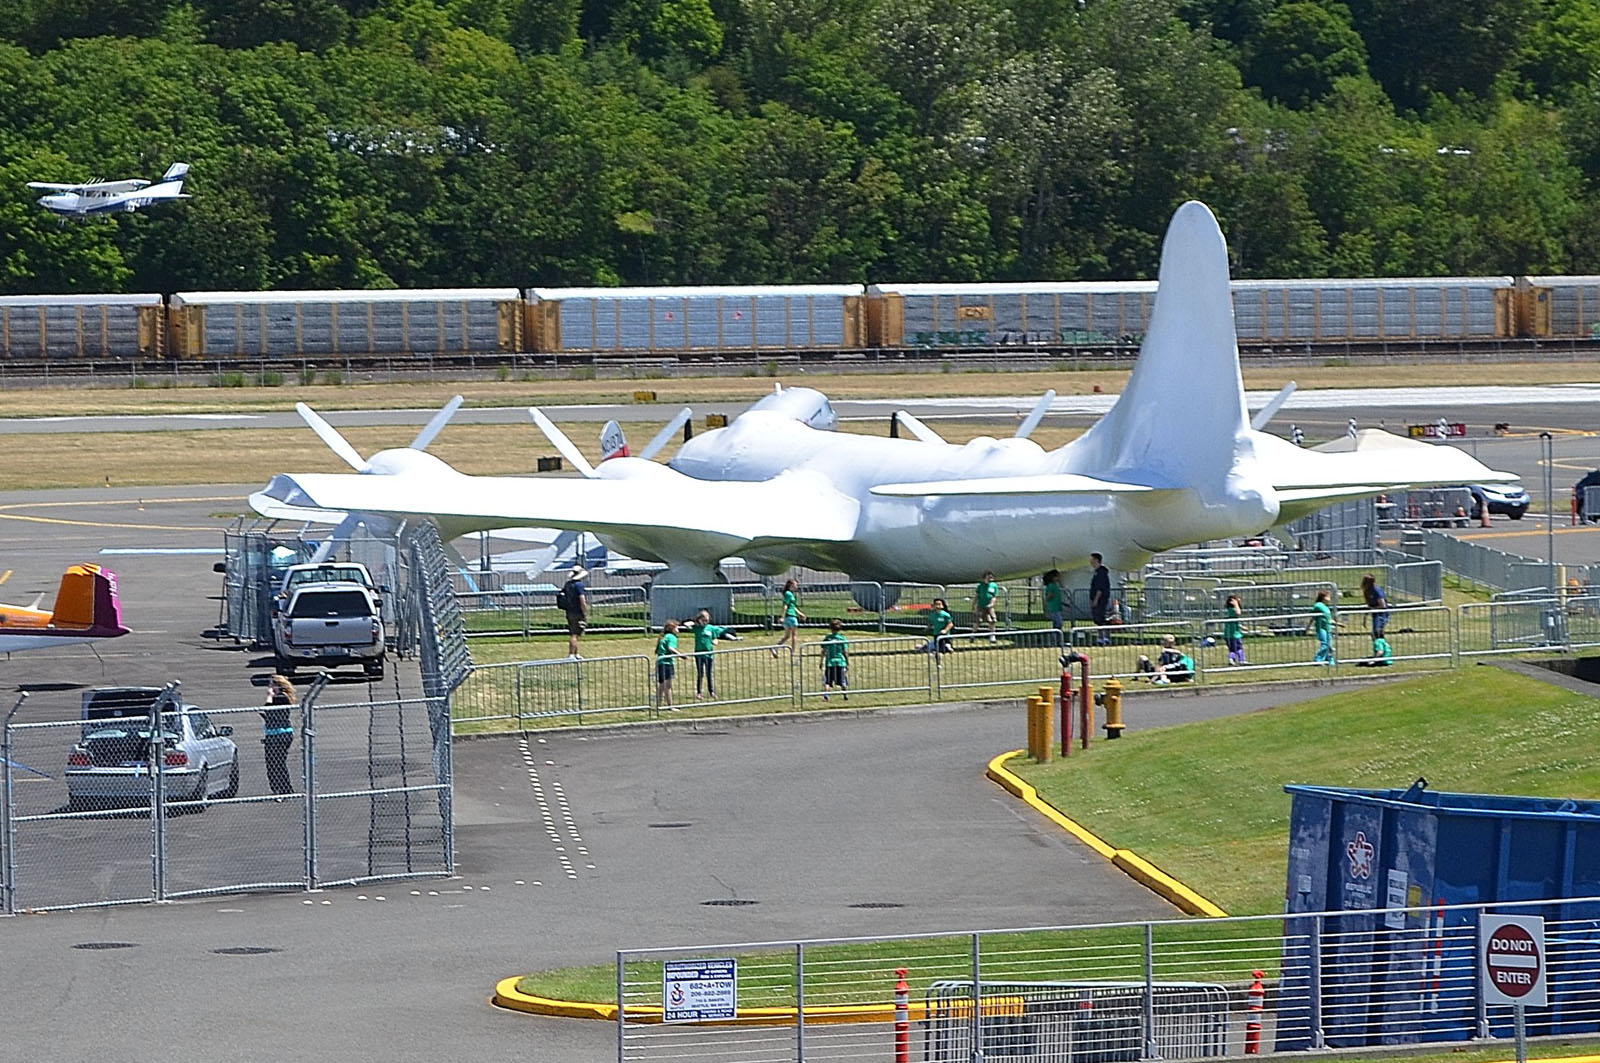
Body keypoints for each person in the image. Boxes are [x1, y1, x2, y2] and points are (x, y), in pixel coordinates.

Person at [686, 609, 741, 700]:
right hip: (699, 654)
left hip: (709, 654)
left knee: (709, 673)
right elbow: (686, 625)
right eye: (703, 620)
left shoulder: (710, 628)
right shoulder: (697, 628)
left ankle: (711, 691)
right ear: (699, 619)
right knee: (700, 674)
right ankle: (699, 692)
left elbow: (715, 638)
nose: (705, 622)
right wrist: (694, 623)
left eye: (706, 621)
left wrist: (715, 641)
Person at [260, 674, 296, 797]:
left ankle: (280, 789)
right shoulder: (279, 698)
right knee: (276, 762)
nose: (269, 687)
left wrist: (269, 697)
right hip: (274, 733)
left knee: (275, 763)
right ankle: (284, 788)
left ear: (278, 686)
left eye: (271, 684)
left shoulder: (281, 698)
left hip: (279, 734)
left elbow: (270, 711)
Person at [769, 578, 805, 657]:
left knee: (787, 636)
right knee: (794, 635)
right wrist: (782, 616)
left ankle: (775, 648)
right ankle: (793, 652)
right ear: (791, 585)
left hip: (789, 616)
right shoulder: (788, 594)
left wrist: (800, 614)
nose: (797, 586)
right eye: (795, 585)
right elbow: (785, 606)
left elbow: (792, 606)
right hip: (791, 616)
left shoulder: (789, 594)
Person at [560, 565, 590, 658]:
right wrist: (585, 611)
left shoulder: (568, 584)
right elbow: (582, 599)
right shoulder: (579, 585)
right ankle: (571, 654)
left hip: (569, 611)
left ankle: (576, 653)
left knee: (574, 632)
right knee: (575, 634)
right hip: (577, 611)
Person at [655, 620, 681, 710]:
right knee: (668, 686)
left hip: (660, 662)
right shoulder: (672, 637)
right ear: (672, 629)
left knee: (661, 685)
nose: (678, 630)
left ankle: (658, 704)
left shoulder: (663, 637)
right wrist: (681, 655)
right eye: (677, 628)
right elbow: (671, 648)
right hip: (667, 663)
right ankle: (670, 706)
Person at [821, 619, 849, 700]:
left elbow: (823, 650)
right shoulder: (842, 638)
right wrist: (847, 662)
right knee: (843, 681)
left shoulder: (828, 638)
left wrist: (821, 661)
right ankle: (845, 694)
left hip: (830, 663)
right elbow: (845, 651)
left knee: (828, 682)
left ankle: (826, 696)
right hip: (840, 662)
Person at [1089, 553, 1111, 645]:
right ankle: (1100, 637)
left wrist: (1096, 600)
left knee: (1102, 619)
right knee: (1098, 619)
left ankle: (1105, 637)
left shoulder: (1101, 573)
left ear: (1097, 560)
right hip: (1097, 599)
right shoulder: (1096, 572)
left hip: (1101, 600)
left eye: (1092, 559)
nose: (1091, 561)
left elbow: (1100, 588)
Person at [1310, 589, 1337, 664]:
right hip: (1321, 628)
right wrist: (1308, 626)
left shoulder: (1326, 607)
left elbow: (1329, 619)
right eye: (1328, 596)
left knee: (1330, 645)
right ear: (1323, 597)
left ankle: (1329, 660)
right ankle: (1318, 659)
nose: (1329, 598)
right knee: (1325, 644)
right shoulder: (1318, 605)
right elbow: (1313, 616)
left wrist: (1338, 624)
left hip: (1328, 628)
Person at [1360, 574, 1389, 640]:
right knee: (1376, 633)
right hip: (1375, 613)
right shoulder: (1366, 592)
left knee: (1377, 632)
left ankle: (1381, 648)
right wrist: (1365, 617)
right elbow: (1369, 604)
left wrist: (1373, 609)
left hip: (1382, 614)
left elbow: (1383, 605)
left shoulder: (1377, 591)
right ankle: (1379, 647)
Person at [974, 571, 1000, 641]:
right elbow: (977, 596)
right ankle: (973, 634)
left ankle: (992, 635)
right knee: (979, 621)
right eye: (989, 577)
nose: (990, 578)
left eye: (991, 577)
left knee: (993, 620)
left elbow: (994, 597)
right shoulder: (980, 585)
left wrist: (992, 604)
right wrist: (974, 605)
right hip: (981, 606)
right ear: (985, 577)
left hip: (990, 607)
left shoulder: (994, 586)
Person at [1042, 569, 1065, 644]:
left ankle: (1056, 640)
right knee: (1058, 623)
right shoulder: (1051, 586)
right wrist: (1051, 595)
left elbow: (1057, 598)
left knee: (1057, 624)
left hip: (1057, 607)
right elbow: (1048, 597)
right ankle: (1054, 640)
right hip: (1054, 608)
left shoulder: (1056, 586)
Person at [1223, 594, 1246, 665]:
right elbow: (1238, 613)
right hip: (1233, 634)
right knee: (1235, 648)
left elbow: (1235, 621)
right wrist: (1236, 604)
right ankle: (1236, 660)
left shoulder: (1231, 611)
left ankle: (1239, 660)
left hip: (1234, 633)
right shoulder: (1232, 610)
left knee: (1237, 648)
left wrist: (1241, 627)